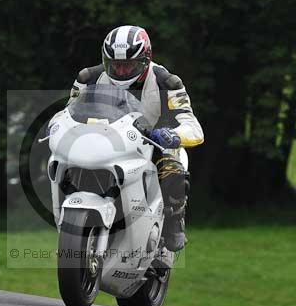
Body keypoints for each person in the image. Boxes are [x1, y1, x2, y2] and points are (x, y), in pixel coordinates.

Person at [67, 25, 204, 251]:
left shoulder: (167, 82)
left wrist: (173, 135)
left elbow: (194, 127)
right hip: (104, 142)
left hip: (153, 143)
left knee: (173, 170)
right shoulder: (88, 78)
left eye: (128, 65)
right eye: (115, 65)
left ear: (145, 60)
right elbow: (69, 113)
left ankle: (174, 221)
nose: (121, 72)